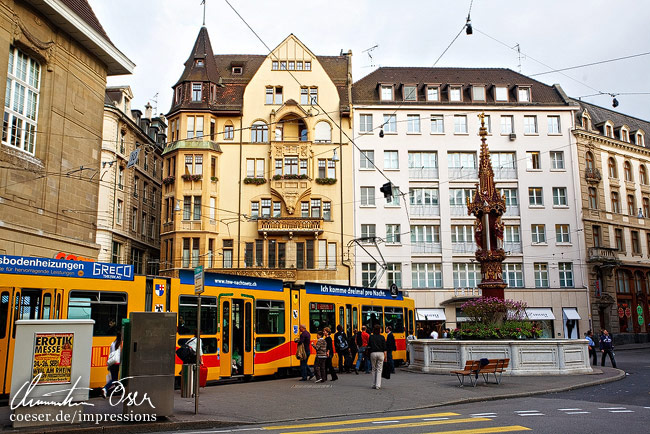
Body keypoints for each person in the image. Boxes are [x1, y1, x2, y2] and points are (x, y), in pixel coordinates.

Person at [102, 331, 121, 398]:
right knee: (114, 379)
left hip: (112, 363)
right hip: (116, 364)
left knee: (114, 380)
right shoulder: (120, 345)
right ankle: (105, 388)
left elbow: (110, 355)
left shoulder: (113, 343)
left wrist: (109, 365)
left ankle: (107, 391)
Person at [368, 324, 387, 389]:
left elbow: (369, 345)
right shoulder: (382, 337)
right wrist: (385, 356)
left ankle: (373, 384)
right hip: (380, 353)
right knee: (379, 369)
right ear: (379, 330)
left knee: (373, 369)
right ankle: (378, 385)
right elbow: (384, 347)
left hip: (373, 353)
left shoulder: (371, 337)